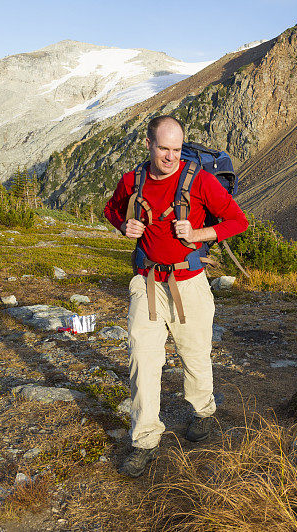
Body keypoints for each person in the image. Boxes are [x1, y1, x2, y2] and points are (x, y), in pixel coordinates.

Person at [103, 116, 248, 477]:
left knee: (195, 354)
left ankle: (202, 412)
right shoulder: (131, 181)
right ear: (148, 145)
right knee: (142, 359)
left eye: (177, 149)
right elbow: (110, 209)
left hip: (191, 283)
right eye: (164, 148)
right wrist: (124, 226)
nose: (170, 157)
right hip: (147, 283)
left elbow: (238, 221)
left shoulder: (199, 179)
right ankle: (144, 439)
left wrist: (199, 233)